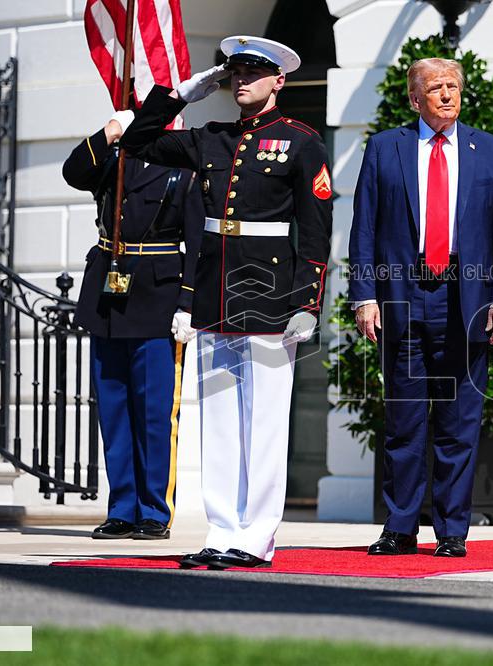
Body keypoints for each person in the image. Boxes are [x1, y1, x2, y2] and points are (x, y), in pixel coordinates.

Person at [117, 36, 332, 569]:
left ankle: (256, 536)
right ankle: (222, 530)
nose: (242, 81)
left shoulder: (301, 142)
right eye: (235, 72)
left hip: (269, 295)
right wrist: (181, 94)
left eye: (254, 73)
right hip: (215, 293)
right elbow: (137, 143)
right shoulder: (210, 138)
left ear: (279, 81)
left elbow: (316, 229)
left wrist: (308, 300)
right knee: (217, 419)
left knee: (262, 422)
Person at [348, 58, 493, 558]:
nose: (447, 95)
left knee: (459, 422)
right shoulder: (385, 148)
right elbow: (364, 229)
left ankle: (451, 532)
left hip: (465, 300)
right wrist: (364, 296)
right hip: (404, 296)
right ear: (414, 98)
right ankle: (400, 527)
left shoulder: (486, 149)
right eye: (436, 88)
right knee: (404, 420)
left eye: (453, 87)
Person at [62, 110, 203, 540]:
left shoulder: (185, 168)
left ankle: (154, 510)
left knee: (156, 414)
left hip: (157, 297)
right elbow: (73, 171)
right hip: (109, 296)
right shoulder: (114, 159)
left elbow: (197, 242)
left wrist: (187, 303)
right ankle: (122, 507)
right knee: (114, 410)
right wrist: (107, 132)